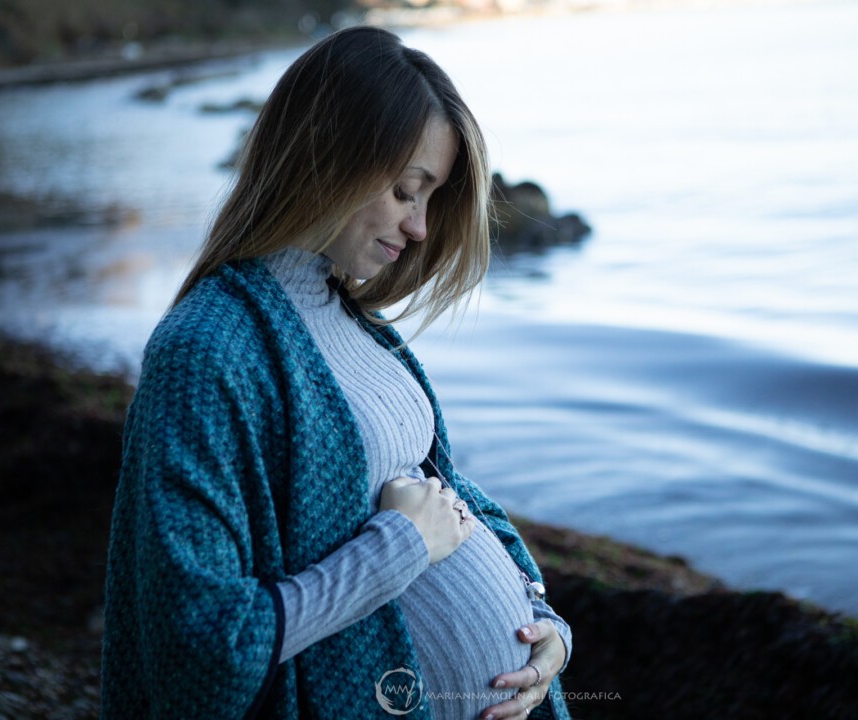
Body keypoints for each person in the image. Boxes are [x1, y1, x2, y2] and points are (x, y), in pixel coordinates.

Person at [100, 26, 573, 720]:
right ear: (328, 156)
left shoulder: (353, 321)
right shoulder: (207, 352)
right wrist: (398, 549)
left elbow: (448, 496)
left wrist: (546, 623)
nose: (419, 227)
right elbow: (197, 653)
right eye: (408, 190)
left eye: (432, 199)